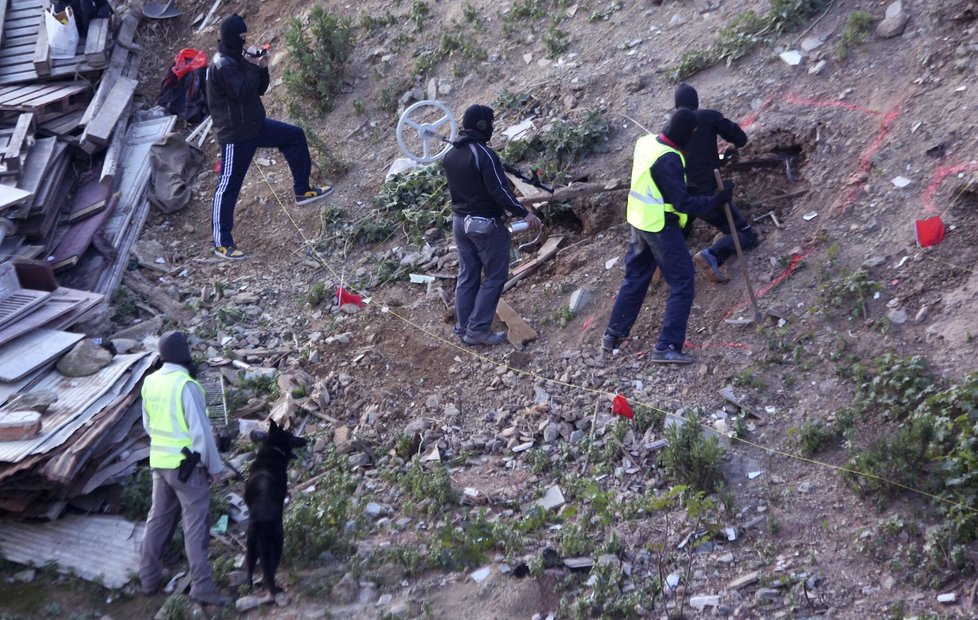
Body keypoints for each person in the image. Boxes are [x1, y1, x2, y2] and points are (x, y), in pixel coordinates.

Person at [602, 109, 733, 364]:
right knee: (683, 281)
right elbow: (682, 202)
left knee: (636, 276)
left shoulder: (647, 142)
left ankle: (613, 334)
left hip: (638, 220)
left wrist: (696, 190)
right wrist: (716, 200)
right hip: (659, 226)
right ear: (686, 135)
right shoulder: (669, 159)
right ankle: (667, 347)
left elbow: (663, 184)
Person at [207, 14, 333, 260]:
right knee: (228, 187)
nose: (245, 41)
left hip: (256, 126)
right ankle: (222, 243)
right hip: (236, 135)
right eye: (242, 37)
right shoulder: (223, 64)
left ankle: (302, 190)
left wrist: (262, 67)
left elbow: (259, 89)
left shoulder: (236, 58)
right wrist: (253, 66)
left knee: (294, 136)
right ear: (233, 37)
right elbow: (243, 91)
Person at [138, 332, 229, 606]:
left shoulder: (150, 382)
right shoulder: (186, 386)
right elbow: (201, 433)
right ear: (184, 354)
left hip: (159, 463)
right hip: (187, 469)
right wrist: (214, 468)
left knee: (158, 521)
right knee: (195, 526)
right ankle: (202, 586)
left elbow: (148, 426)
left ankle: (148, 578)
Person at [442, 104, 542, 346]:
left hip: (459, 223)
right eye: (490, 123)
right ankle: (477, 330)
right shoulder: (484, 154)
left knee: (467, 275)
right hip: (484, 225)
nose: (493, 127)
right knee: (495, 277)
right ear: (482, 125)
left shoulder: (450, 154)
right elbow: (500, 192)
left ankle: (463, 327)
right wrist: (524, 213)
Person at [674, 83, 758, 283]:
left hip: (682, 195)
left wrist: (717, 159)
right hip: (709, 194)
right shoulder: (707, 117)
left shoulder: (669, 131)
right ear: (696, 102)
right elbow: (740, 138)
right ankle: (712, 255)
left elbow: (690, 158)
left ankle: (662, 263)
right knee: (745, 234)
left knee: (679, 232)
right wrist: (730, 146)